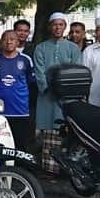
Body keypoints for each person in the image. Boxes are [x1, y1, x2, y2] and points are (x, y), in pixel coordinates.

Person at [33, 12, 82, 172]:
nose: (57, 27)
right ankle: (49, 168)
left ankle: (66, 169)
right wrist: (50, 88)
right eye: (55, 24)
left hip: (66, 99)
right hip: (47, 97)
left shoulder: (73, 48)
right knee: (47, 132)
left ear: (65, 27)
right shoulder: (40, 48)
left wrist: (65, 89)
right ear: (49, 27)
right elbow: (39, 72)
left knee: (66, 131)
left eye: (61, 24)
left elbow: (77, 70)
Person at [0, 30, 35, 148]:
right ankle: (2, 167)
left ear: (17, 42)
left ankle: (19, 167)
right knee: (1, 144)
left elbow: (30, 81)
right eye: (5, 39)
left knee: (20, 144)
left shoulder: (25, 60)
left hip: (20, 110)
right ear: (1, 42)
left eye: (12, 39)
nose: (9, 42)